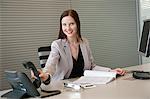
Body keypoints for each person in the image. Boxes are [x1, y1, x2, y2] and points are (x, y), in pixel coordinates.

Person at [32, 9, 126, 85]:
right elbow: (50, 65)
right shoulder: (57, 45)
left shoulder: (84, 42)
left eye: (71, 24)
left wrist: (110, 71)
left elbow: (92, 67)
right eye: (64, 24)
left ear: (77, 24)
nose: (68, 28)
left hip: (83, 85)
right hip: (63, 87)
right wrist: (45, 74)